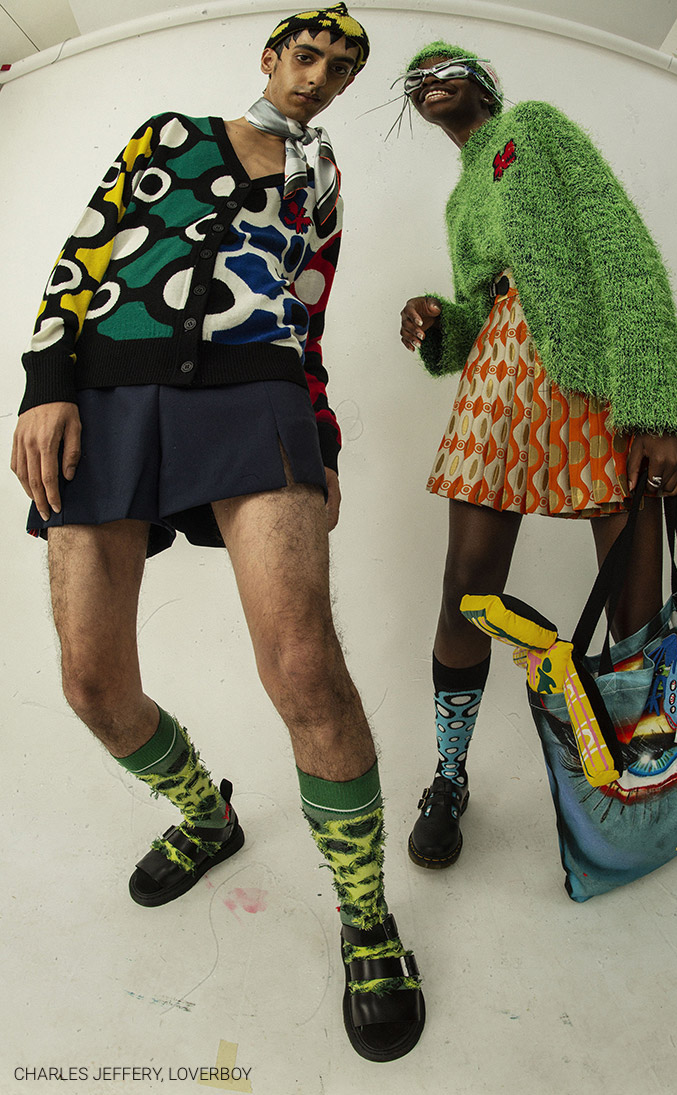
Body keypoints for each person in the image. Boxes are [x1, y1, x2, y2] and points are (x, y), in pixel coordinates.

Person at [10, 4, 424, 1063]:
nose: (318, 75)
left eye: (340, 67)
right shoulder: (171, 136)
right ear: (271, 57)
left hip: (255, 397)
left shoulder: (320, 185)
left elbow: (307, 319)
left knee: (305, 665)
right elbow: (83, 252)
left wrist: (322, 440)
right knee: (91, 683)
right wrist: (46, 384)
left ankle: (366, 918)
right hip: (106, 395)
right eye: (307, 54)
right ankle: (208, 815)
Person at [398, 41, 677, 870]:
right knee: (466, 591)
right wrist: (438, 320)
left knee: (633, 593)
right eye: (416, 79)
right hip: (498, 377)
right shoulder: (461, 198)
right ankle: (450, 774)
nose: (429, 81)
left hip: (588, 377)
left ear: (485, 84)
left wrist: (655, 408)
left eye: (447, 68)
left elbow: (621, 250)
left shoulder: (535, 128)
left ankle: (640, 762)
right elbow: (478, 310)